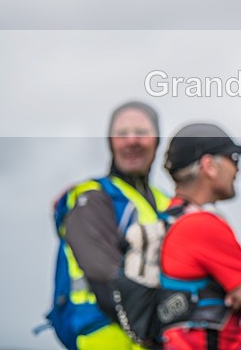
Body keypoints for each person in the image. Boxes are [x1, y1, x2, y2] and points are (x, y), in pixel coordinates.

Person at [56, 100, 171, 348]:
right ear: (110, 141)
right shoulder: (92, 198)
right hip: (104, 339)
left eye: (141, 132)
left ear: (157, 140)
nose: (132, 140)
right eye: (121, 133)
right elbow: (105, 277)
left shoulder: (166, 202)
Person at [159, 123, 241, 350]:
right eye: (234, 159)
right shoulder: (202, 226)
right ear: (209, 165)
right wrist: (235, 297)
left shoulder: (169, 219)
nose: (238, 170)